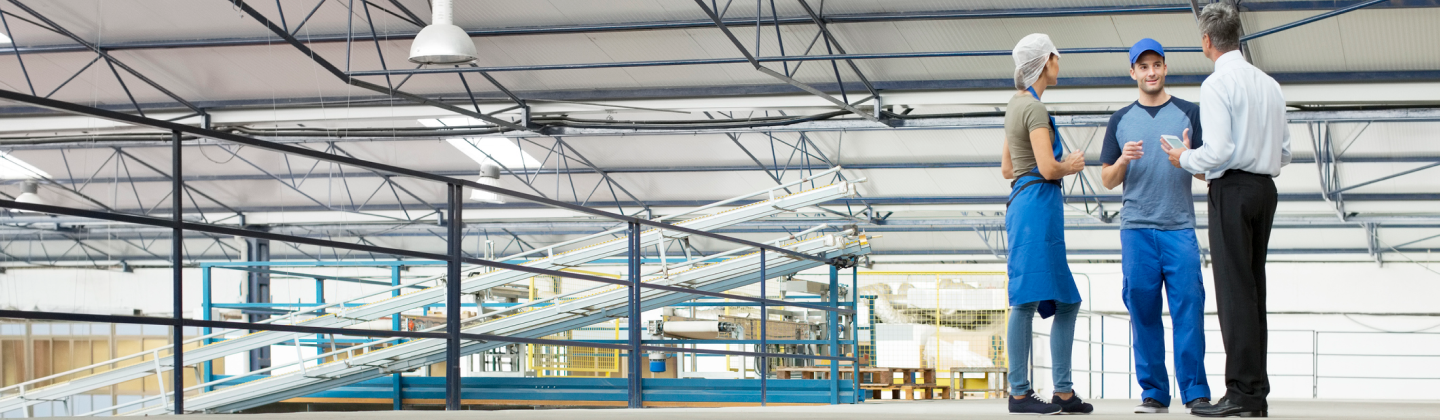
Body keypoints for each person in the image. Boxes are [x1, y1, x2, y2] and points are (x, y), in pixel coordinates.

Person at [1160, 3, 1290, 417]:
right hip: (1265, 190)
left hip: (1232, 191)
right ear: (1238, 36)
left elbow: (1219, 152)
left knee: (1234, 292)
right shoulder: (1269, 84)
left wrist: (1185, 157)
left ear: (1206, 41)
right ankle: (1254, 395)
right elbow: (1285, 152)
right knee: (1253, 290)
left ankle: (1239, 393)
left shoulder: (1217, 85)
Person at [1100, 38, 1213, 415]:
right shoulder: (1119, 120)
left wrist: (1187, 160)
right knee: (1143, 311)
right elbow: (1107, 180)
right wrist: (1124, 161)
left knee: (1189, 310)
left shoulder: (1190, 113)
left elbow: (1208, 171)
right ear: (1133, 72)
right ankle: (1154, 393)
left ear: (1165, 68)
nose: (1151, 72)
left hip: (1179, 228)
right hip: (1136, 231)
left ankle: (1195, 392)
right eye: (1143, 66)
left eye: (1156, 65)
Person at [1000, 33, 1093, 416]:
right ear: (1046, 62)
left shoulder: (1014, 105)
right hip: (1037, 205)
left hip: (1029, 204)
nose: (1060, 61)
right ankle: (1019, 394)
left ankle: (1063, 392)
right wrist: (1069, 165)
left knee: (1067, 299)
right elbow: (1047, 167)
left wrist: (1047, 171)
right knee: (1025, 300)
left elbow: (1008, 168)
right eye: (1057, 55)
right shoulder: (1036, 110)